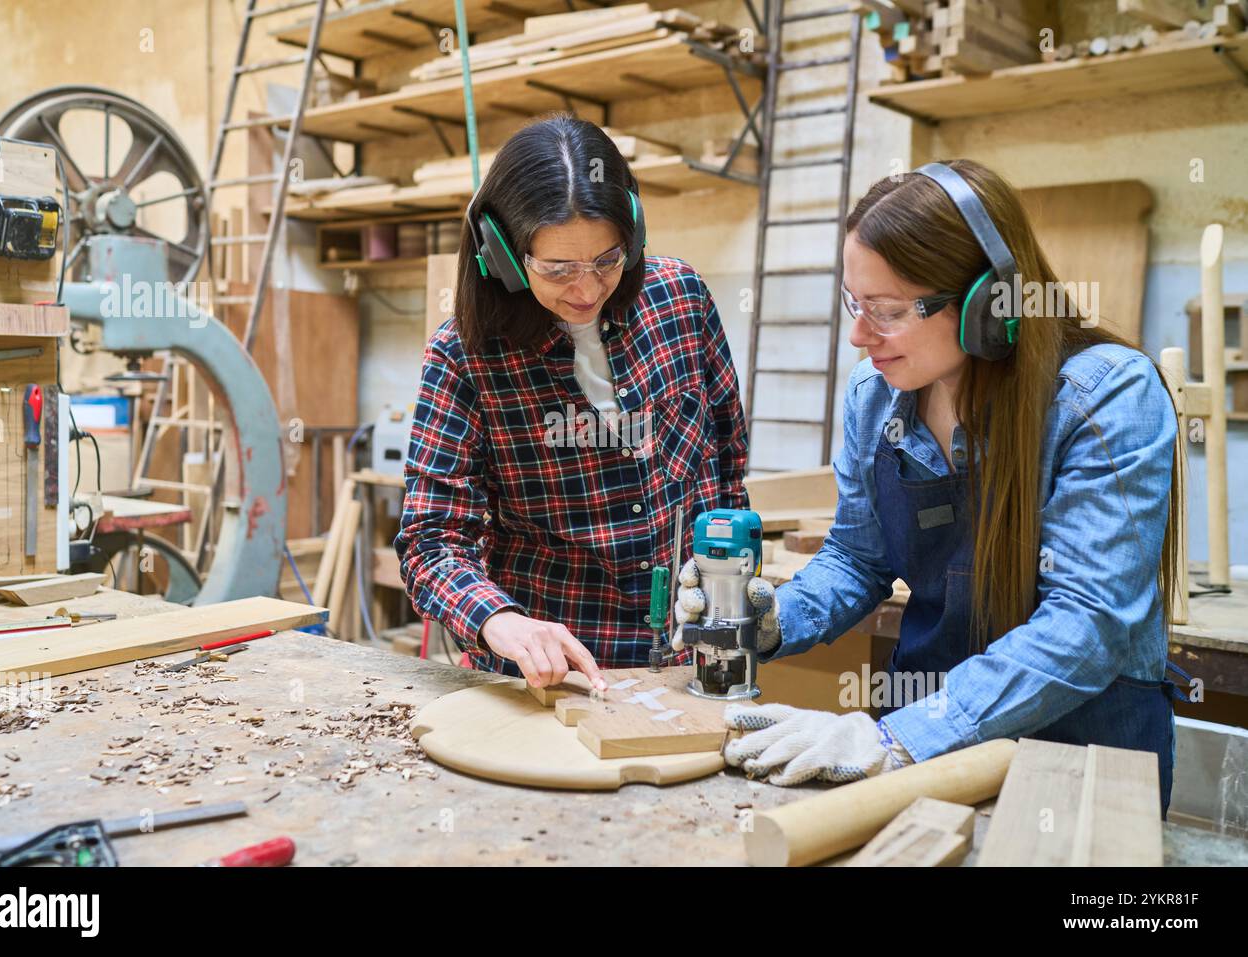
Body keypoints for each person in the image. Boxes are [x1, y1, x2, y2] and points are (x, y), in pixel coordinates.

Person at [677, 159, 1187, 813]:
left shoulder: (1105, 396)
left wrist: (900, 737)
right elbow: (857, 559)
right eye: (854, 305)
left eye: (887, 311)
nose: (860, 336)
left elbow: (1088, 624)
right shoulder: (877, 397)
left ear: (985, 304)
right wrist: (772, 619)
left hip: (1078, 755)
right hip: (919, 751)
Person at [395, 114, 772, 693]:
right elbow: (431, 539)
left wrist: (729, 582)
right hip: (551, 674)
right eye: (558, 270)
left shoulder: (681, 301)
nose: (588, 289)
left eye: (607, 260)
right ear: (503, 255)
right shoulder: (463, 356)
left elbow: (724, 464)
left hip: (687, 660)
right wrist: (499, 621)